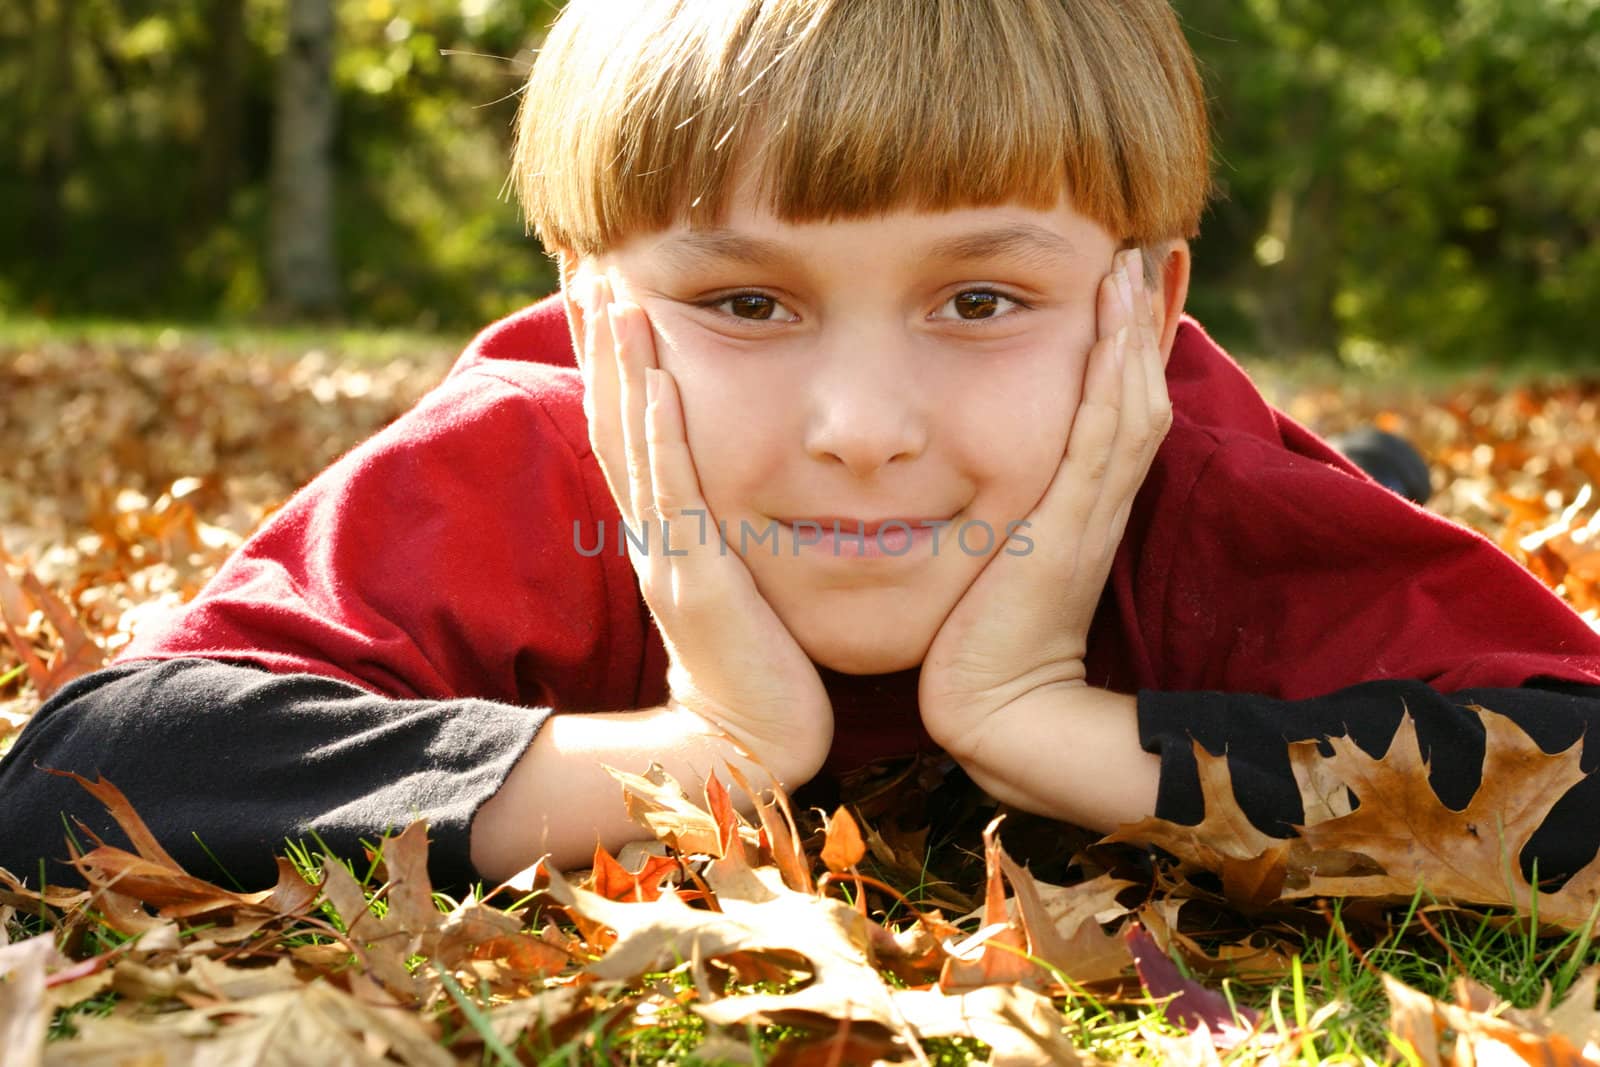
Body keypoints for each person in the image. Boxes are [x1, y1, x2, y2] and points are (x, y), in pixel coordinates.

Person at [6, 0, 1600, 895]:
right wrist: (702, 749)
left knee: (1364, 489)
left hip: (1212, 496)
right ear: (590, 310)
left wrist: (1046, 722)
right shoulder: (537, 460)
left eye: (980, 297)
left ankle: (1382, 461)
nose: (860, 433)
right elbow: (78, 783)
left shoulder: (1198, 488)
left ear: (1143, 308)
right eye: (746, 302)